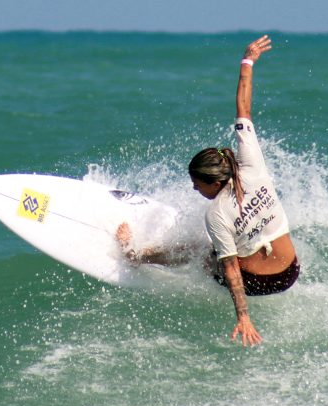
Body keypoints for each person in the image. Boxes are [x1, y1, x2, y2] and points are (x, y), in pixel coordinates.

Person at [118, 35, 299, 347]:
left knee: (202, 253)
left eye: (197, 184)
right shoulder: (251, 162)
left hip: (263, 283)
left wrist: (243, 315)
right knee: (235, 244)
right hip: (292, 270)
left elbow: (231, 271)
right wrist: (248, 60)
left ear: (215, 183)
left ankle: (137, 255)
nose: (194, 188)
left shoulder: (217, 214)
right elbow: (244, 108)